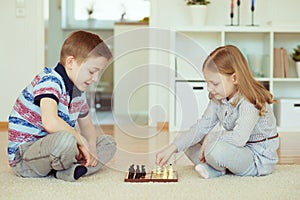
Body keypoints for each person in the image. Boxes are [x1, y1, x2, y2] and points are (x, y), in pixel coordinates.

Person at [156, 45, 279, 179]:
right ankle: (217, 169)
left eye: (214, 84)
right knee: (188, 140)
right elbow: (201, 127)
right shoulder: (219, 98)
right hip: (234, 149)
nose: (209, 88)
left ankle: (217, 168)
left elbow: (239, 139)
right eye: (207, 83)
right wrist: (172, 148)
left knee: (214, 148)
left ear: (234, 78)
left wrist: (212, 137)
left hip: (256, 159)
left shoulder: (250, 100)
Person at [8, 30, 116, 181]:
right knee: (66, 140)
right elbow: (50, 122)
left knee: (108, 143)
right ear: (71, 62)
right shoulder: (50, 81)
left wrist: (91, 149)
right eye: (92, 71)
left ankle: (69, 170)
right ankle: (70, 169)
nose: (96, 79)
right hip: (26, 156)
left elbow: (87, 126)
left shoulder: (79, 92)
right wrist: (78, 138)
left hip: (56, 152)